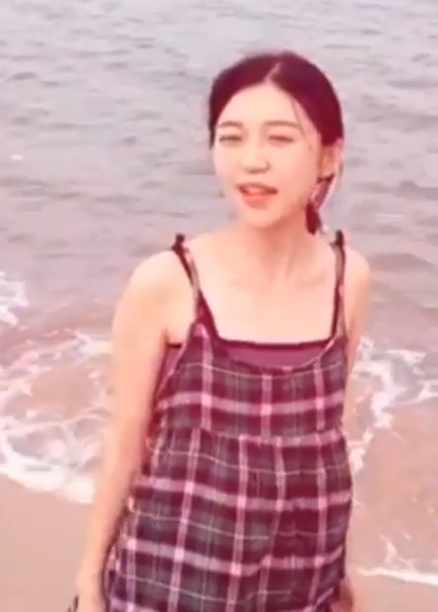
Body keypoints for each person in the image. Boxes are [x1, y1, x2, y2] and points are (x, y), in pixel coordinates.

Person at [73, 50, 370, 612]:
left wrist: (340, 571)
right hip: (174, 578)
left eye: (279, 138)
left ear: (329, 156)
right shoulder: (169, 282)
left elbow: (322, 444)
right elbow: (126, 439)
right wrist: (89, 579)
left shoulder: (347, 279)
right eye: (230, 138)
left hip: (304, 583)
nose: (251, 162)